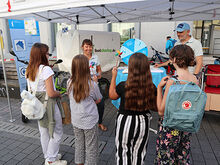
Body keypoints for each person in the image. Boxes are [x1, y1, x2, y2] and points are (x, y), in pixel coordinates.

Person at [109, 53, 157, 165]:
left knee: (123, 152)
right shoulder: (151, 87)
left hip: (125, 121)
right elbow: (155, 106)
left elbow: (112, 95)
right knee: (139, 153)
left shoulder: (123, 85)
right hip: (143, 121)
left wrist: (114, 76)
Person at [154, 45, 199, 165]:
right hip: (185, 127)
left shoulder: (173, 81)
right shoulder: (195, 79)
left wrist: (159, 89)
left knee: (166, 158)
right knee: (182, 157)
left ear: (173, 59)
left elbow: (161, 111)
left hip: (170, 128)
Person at [25, 43, 67, 165]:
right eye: (48, 53)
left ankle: (48, 155)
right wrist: (59, 93)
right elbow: (51, 92)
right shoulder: (46, 69)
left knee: (44, 131)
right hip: (49, 104)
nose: (49, 55)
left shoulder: (30, 68)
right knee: (57, 131)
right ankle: (51, 160)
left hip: (37, 105)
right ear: (42, 55)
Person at [67, 55, 102, 165]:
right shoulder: (92, 84)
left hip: (76, 120)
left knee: (79, 144)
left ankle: (79, 163)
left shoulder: (69, 82)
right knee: (91, 147)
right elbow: (99, 99)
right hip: (90, 121)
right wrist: (96, 82)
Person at [81, 39, 107, 131]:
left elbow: (99, 69)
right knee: (85, 104)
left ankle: (99, 122)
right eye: (86, 46)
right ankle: (86, 123)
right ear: (82, 47)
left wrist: (99, 75)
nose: (88, 48)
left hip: (95, 84)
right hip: (84, 85)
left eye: (90, 46)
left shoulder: (95, 57)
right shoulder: (80, 58)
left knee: (101, 103)